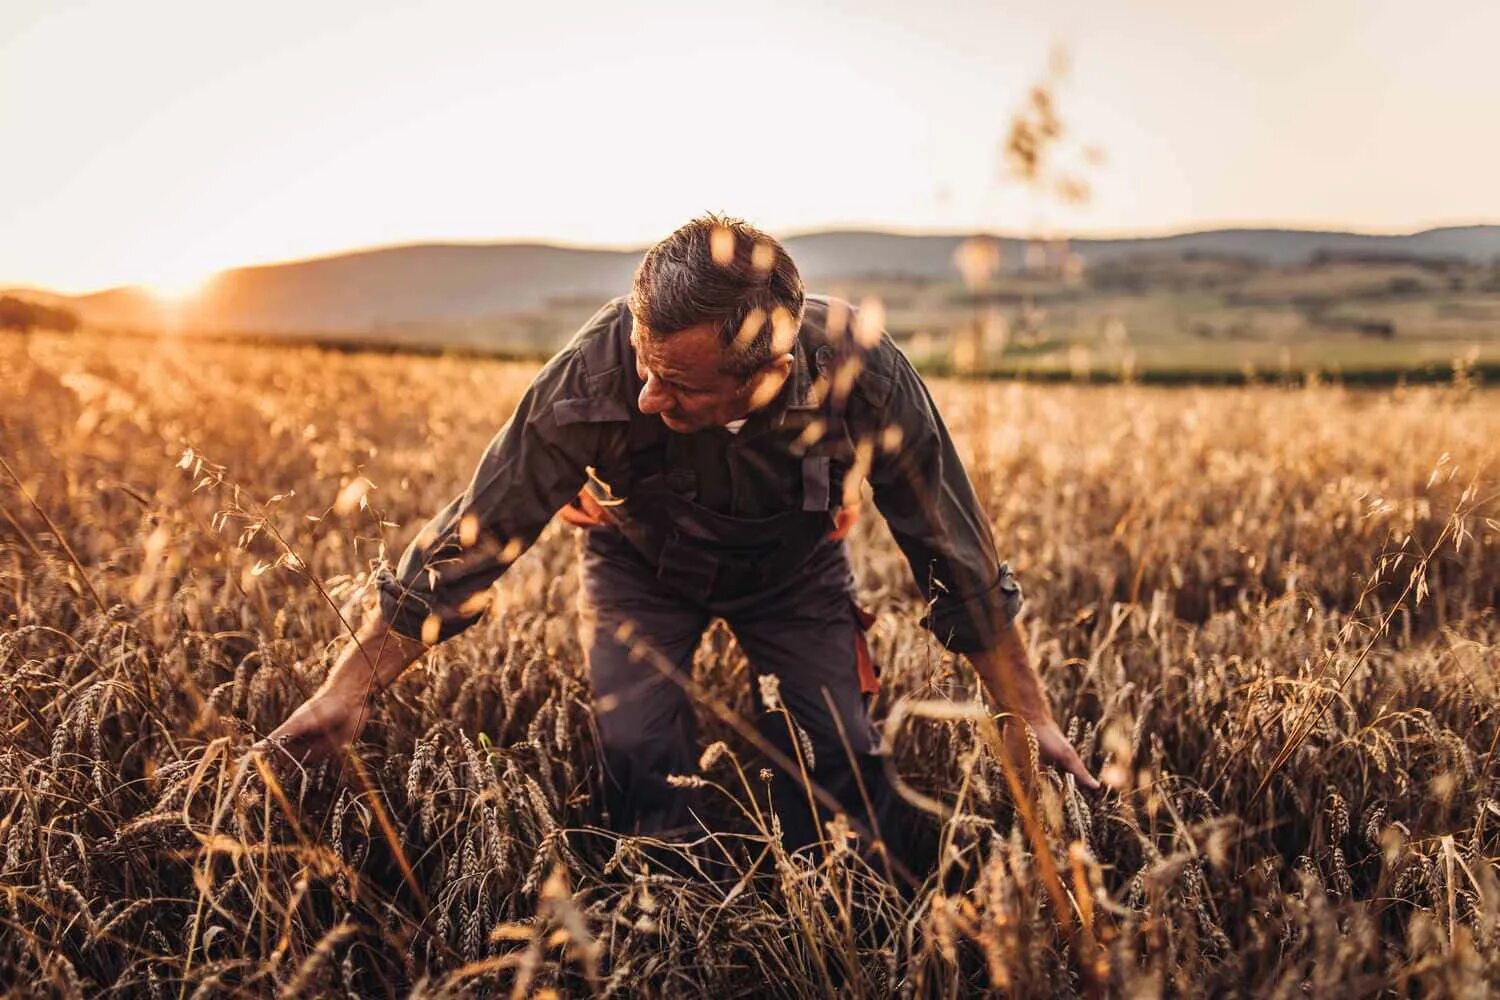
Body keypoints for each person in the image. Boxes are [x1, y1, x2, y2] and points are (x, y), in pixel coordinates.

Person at [258, 213, 1098, 868]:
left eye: (680, 384)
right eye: (643, 362)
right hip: (638, 570)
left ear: (765, 372)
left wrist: (1029, 716)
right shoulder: (593, 374)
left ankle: (839, 906)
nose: (649, 395)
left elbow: (955, 554)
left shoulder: (861, 372)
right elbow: (475, 534)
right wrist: (350, 687)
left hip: (793, 576)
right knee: (639, 755)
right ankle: (668, 913)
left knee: (835, 764)